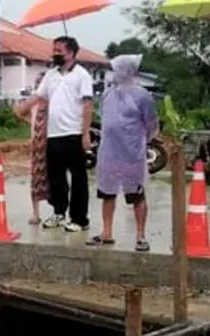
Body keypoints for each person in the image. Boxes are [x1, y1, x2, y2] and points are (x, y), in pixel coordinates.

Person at [18, 36, 95, 232]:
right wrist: (25, 106)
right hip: (53, 134)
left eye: (59, 51)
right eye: (54, 50)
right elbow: (39, 95)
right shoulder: (51, 75)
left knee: (78, 177)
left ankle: (79, 219)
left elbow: (87, 106)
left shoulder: (82, 75)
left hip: (73, 133)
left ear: (71, 53)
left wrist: (85, 134)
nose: (55, 54)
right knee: (55, 176)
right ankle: (59, 212)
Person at [88, 54, 158, 251]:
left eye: (117, 69)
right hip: (109, 153)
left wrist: (141, 142)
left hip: (132, 154)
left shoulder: (143, 96)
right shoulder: (108, 95)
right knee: (107, 193)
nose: (114, 74)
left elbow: (152, 124)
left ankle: (141, 236)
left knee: (136, 195)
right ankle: (107, 232)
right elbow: (105, 119)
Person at [15, 72, 50, 225]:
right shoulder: (34, 102)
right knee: (36, 178)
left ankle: (58, 212)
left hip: (53, 142)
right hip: (37, 142)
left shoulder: (54, 101)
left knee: (56, 179)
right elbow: (19, 111)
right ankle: (36, 213)